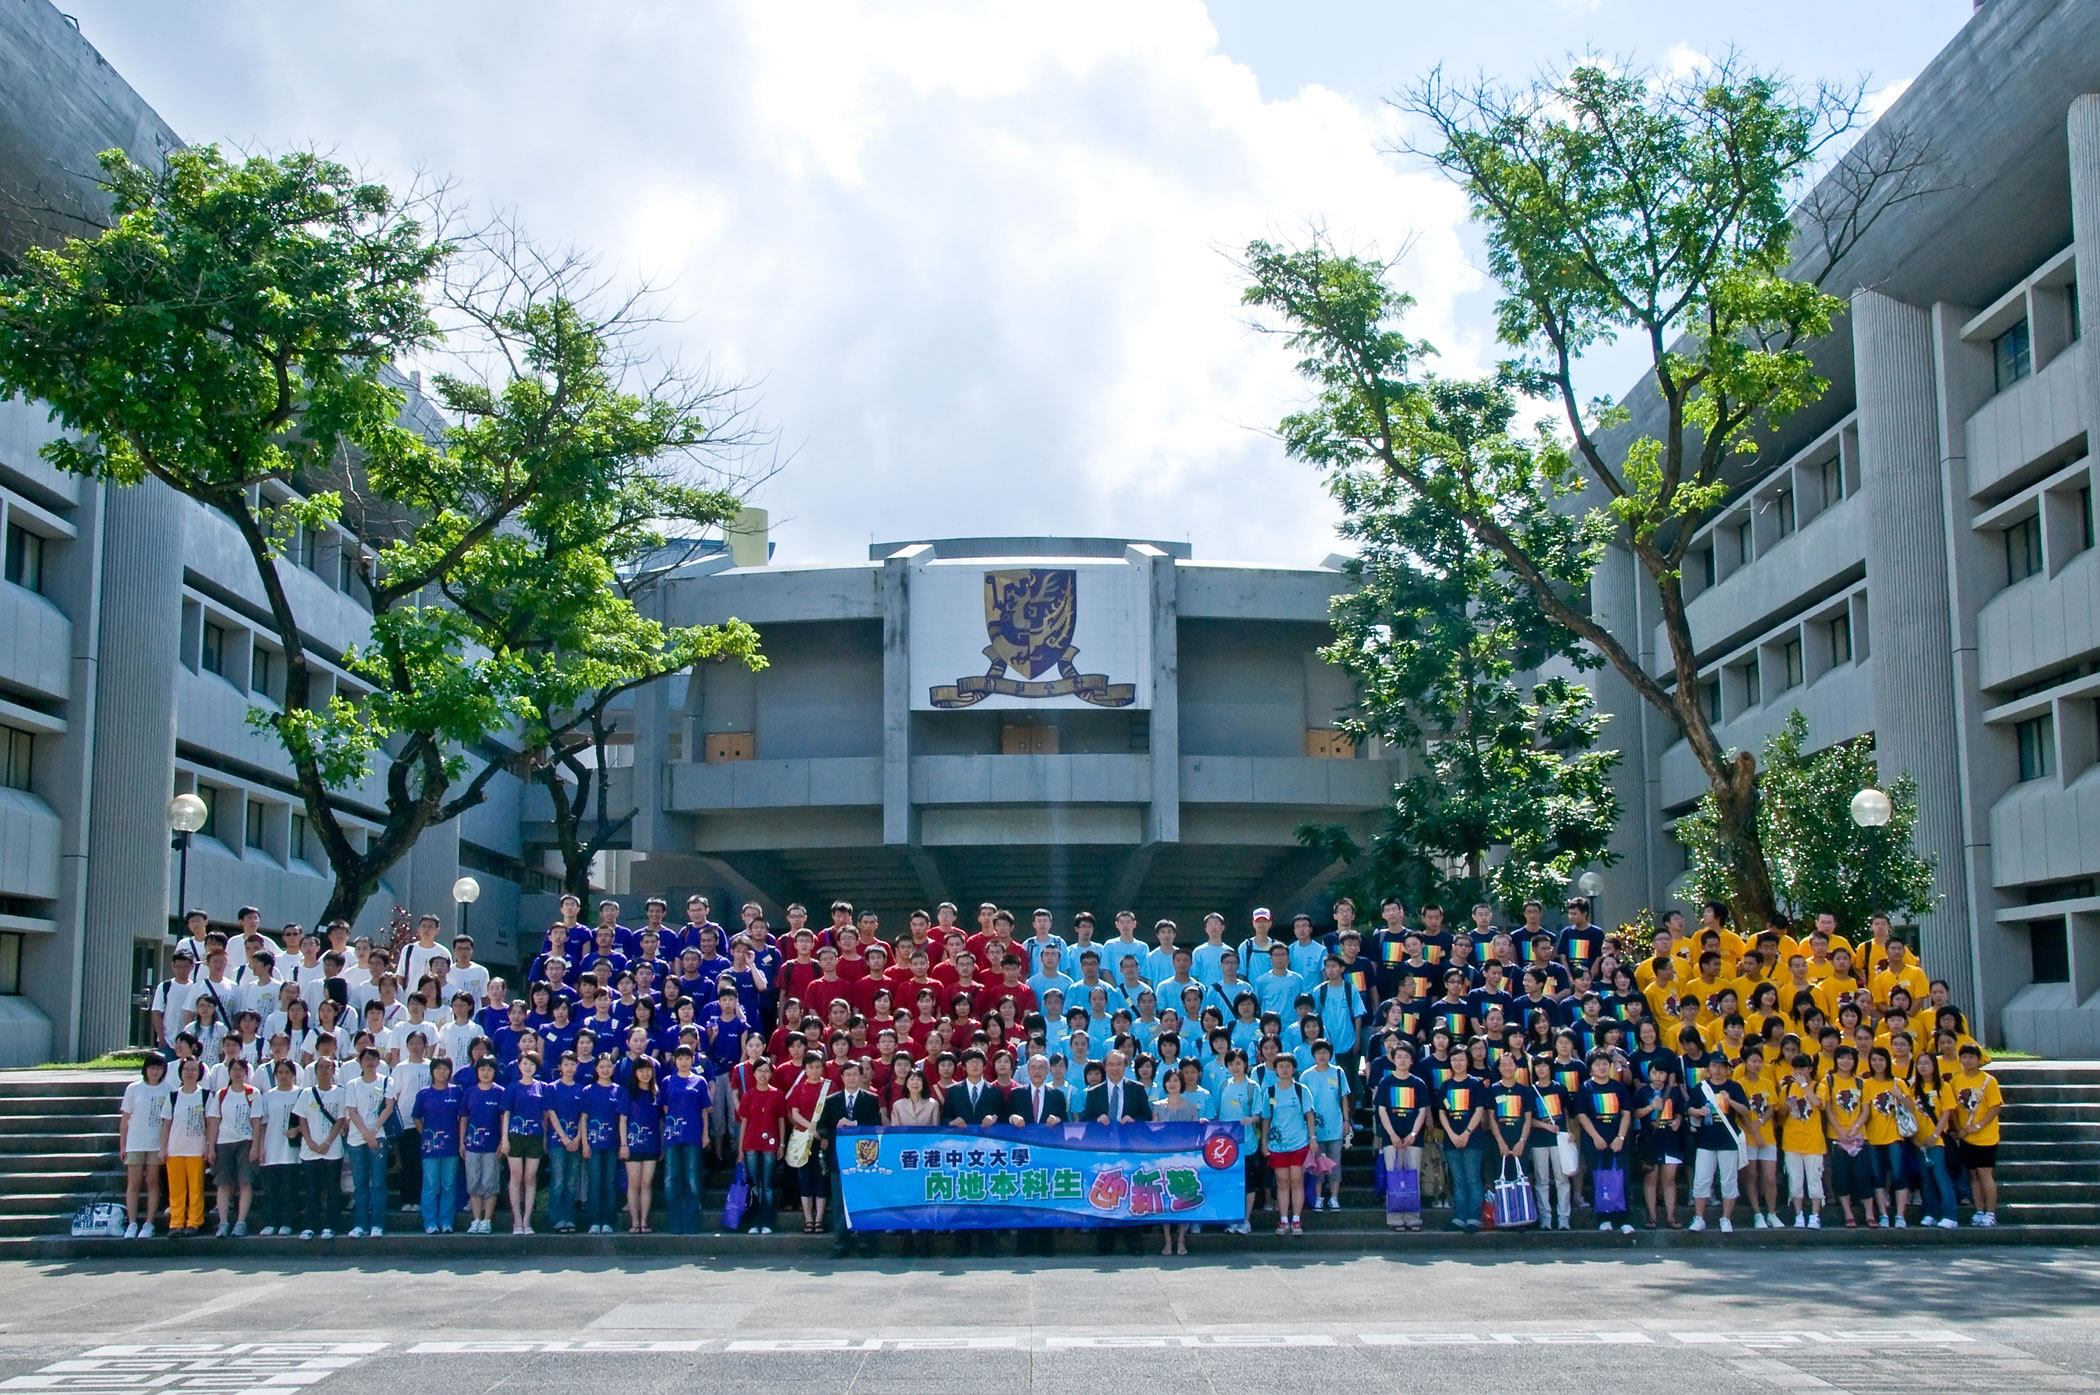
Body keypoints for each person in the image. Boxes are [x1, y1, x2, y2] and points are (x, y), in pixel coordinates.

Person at [819, 1061, 882, 1258]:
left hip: (865, 1159)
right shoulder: (831, 1100)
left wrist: (854, 1124)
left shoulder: (871, 1099)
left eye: (856, 1074)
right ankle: (840, 1244)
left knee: (864, 1200)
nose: (852, 1078)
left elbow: (876, 1126)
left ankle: (865, 1243)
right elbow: (822, 1127)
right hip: (839, 1159)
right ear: (842, 1077)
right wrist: (831, 1132)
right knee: (839, 1203)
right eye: (848, 1075)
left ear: (862, 1076)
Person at [1687, 1054, 1749, 1233]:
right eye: (1714, 1066)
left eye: (1722, 1066)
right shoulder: (1701, 1088)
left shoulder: (1734, 1087)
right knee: (1701, 1180)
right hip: (1706, 1140)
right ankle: (1699, 1218)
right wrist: (1699, 1111)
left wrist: (1729, 1101)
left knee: (1729, 1180)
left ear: (1728, 1069)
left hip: (1728, 1140)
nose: (1718, 1070)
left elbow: (1745, 1110)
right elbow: (1689, 1109)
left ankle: (1726, 1218)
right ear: (1709, 1068)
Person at [291, 1052, 348, 1240]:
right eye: (321, 1067)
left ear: (333, 1070)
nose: (324, 1070)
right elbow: (302, 1119)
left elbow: (340, 1120)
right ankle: (310, 1225)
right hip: (310, 1149)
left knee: (333, 1188)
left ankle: (331, 1226)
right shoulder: (307, 1093)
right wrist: (310, 1141)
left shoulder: (340, 1092)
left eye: (328, 1067)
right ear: (315, 1071)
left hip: (332, 1148)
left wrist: (327, 1142)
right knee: (312, 1188)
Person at [341, 1047, 396, 1238]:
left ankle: (377, 1224)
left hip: (378, 1135)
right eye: (366, 1059)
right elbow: (351, 1109)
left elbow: (389, 1107)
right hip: (357, 1138)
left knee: (379, 1182)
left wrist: (373, 1131)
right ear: (360, 1062)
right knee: (360, 1183)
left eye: (374, 1058)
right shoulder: (353, 1084)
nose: (370, 1062)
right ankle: (360, 1224)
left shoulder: (387, 1081)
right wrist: (365, 1132)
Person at [1945, 1042, 2002, 1226]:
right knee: (1973, 1175)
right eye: (1964, 1057)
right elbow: (1952, 1108)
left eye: (1971, 1057)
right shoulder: (1956, 1081)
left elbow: (1995, 1106)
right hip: (1966, 1136)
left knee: (1985, 1173)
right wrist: (1958, 1128)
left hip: (1986, 1136)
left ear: (1979, 1059)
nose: (1968, 1061)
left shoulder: (1988, 1080)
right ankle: (1978, 1210)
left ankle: (1990, 1212)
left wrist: (1978, 1126)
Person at [1260, 1052, 1317, 1237]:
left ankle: (1297, 1219)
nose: (1284, 1069)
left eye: (1288, 1066)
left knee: (1297, 1180)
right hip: (1277, 1144)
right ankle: (1283, 1219)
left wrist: (1312, 1138)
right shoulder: (1269, 1092)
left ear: (1293, 1069)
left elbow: (1309, 1116)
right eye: (1281, 1066)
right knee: (1282, 1182)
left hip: (1299, 1142)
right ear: (1275, 1069)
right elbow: (1266, 1119)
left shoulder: (1302, 1090)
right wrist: (1264, 1142)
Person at [204, 1056, 258, 1237]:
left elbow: (256, 1122)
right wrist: (210, 1147)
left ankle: (241, 1222)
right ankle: (223, 1222)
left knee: (245, 1182)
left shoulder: (253, 1093)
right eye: (234, 1070)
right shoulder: (221, 1094)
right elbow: (214, 1121)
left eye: (241, 1070)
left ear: (246, 1073)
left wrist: (255, 1146)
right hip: (224, 1142)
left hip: (246, 1141)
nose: (237, 1073)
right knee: (224, 1183)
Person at [411, 1056, 465, 1234]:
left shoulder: (456, 1092)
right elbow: (416, 1116)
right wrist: (425, 1134)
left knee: (448, 1184)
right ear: (432, 1071)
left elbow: (462, 1116)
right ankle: (430, 1221)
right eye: (438, 1069)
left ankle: (446, 1221)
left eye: (446, 1069)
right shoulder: (424, 1093)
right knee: (431, 1184)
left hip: (451, 1145)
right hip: (430, 1146)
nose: (442, 1072)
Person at [119, 1054, 170, 1240]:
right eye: (152, 1067)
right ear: (145, 1069)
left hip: (156, 1143)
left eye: (158, 1068)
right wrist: (122, 1143)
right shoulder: (133, 1089)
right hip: (135, 1141)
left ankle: (149, 1223)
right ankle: (132, 1223)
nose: (155, 1071)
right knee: (133, 1183)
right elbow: (125, 1120)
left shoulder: (168, 1090)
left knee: (152, 1183)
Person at [161, 1057, 211, 1238]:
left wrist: (209, 1145)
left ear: (199, 1074)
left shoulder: (205, 1095)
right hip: (175, 1148)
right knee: (176, 1189)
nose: (190, 1073)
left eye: (194, 1070)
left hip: (196, 1149)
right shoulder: (173, 1096)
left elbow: (210, 1123)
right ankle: (176, 1223)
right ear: (180, 1073)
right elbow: (166, 1124)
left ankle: (194, 1222)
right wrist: (162, 1148)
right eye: (186, 1070)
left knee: (196, 1188)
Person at [737, 1056, 788, 1236]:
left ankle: (767, 1221)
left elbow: (781, 1120)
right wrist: (739, 1149)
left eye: (767, 1071)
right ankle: (754, 1222)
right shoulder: (748, 1094)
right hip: (750, 1143)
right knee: (754, 1184)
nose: (763, 1074)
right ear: (754, 1073)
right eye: (760, 1071)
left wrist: (782, 1143)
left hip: (771, 1144)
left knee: (767, 1185)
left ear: (771, 1073)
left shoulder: (777, 1094)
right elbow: (744, 1121)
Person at [1634, 1060, 1687, 1229]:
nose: (1658, 1076)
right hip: (1649, 1139)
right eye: (1655, 1072)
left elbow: (1680, 1111)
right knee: (1651, 1178)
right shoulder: (1642, 1091)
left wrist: (1678, 1120)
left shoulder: (1674, 1091)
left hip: (1670, 1139)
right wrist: (1651, 1107)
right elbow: (1635, 1114)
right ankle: (1652, 1217)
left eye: (1662, 1073)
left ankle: (1671, 1217)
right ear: (1649, 1074)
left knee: (1669, 1179)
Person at [1777, 1052, 1827, 1229]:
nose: (1799, 1071)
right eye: (1796, 1068)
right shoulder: (1787, 1088)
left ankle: (1815, 1215)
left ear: (1810, 1069)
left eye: (1802, 1068)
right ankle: (1799, 1214)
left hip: (1813, 1142)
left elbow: (1817, 1102)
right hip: (1792, 1141)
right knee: (1795, 1180)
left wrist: (1804, 1085)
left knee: (1814, 1179)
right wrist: (1786, 1107)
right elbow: (1780, 1114)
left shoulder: (1819, 1085)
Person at [500, 1051, 548, 1235]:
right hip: (515, 1136)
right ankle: (517, 1219)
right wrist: (504, 1139)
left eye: (532, 1064)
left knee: (530, 1177)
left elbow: (545, 1116)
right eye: (525, 1063)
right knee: (516, 1177)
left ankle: (527, 1219)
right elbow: (506, 1114)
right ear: (519, 1066)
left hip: (535, 1136)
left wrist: (544, 1139)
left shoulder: (542, 1087)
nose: (528, 1067)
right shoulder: (512, 1088)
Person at [618, 1058, 664, 1234]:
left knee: (646, 1183)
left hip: (651, 1145)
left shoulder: (656, 1093)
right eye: (641, 1070)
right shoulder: (629, 1093)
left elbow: (660, 1121)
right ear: (635, 1073)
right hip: (633, 1144)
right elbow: (622, 1120)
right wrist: (624, 1144)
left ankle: (644, 1222)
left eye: (648, 1070)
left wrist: (661, 1145)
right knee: (634, 1184)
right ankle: (634, 1222)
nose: (645, 1073)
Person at [579, 1054, 624, 1234]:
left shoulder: (619, 1091)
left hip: (612, 1144)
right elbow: (584, 1118)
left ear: (613, 1069)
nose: (605, 1070)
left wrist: (622, 1144)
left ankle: (608, 1220)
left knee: (609, 1182)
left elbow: (622, 1119)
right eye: (602, 1067)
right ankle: (594, 1221)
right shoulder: (588, 1090)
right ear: (596, 1069)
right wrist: (585, 1143)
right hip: (593, 1144)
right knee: (595, 1182)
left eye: (609, 1066)